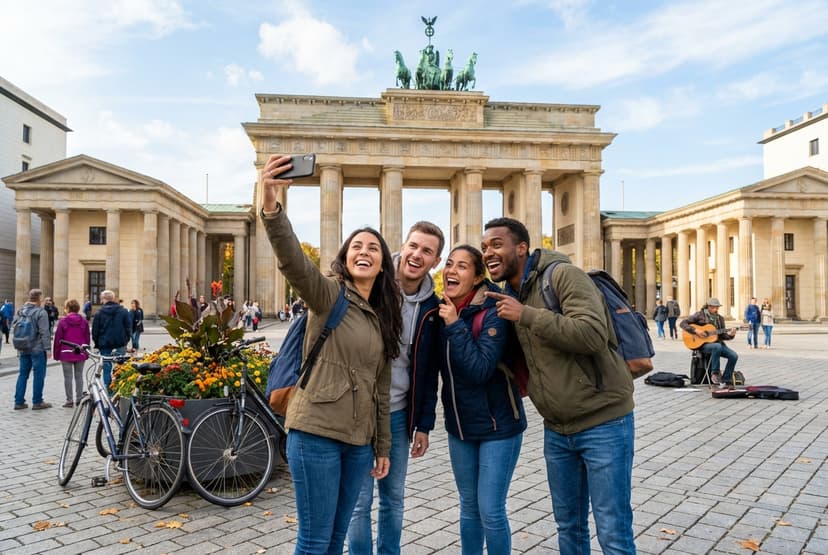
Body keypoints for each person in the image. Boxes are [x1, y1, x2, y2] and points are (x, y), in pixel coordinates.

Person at [261, 153, 403, 554]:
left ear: (382, 264)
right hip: (316, 433)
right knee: (314, 542)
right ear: (346, 257)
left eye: (373, 247)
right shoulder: (328, 295)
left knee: (336, 541)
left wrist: (382, 447)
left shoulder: (382, 318)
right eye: (356, 246)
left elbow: (380, 390)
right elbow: (293, 262)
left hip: (357, 443)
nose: (364, 251)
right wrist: (271, 207)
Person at [481, 217, 636, 555]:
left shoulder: (564, 275)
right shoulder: (510, 294)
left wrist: (526, 315)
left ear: (521, 248)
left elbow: (593, 334)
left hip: (603, 423)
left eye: (496, 244)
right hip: (557, 429)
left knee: (612, 530)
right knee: (569, 527)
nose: (488, 252)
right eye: (484, 247)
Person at [349, 221, 444, 555]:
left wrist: (424, 425)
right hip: (358, 411)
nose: (417, 255)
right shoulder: (370, 285)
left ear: (436, 261)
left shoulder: (433, 308)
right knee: (359, 501)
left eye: (427, 251)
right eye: (413, 246)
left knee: (394, 498)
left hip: (399, 414)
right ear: (403, 246)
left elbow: (429, 371)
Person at [437, 244, 526, 554]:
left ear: (477, 278)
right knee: (469, 506)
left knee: (490, 508)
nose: (451, 270)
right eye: (449, 263)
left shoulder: (494, 311)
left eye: (462, 266)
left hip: (498, 425)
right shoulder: (444, 308)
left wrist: (454, 325)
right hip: (460, 426)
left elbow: (480, 370)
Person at [680, 298, 739, 387]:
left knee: (733, 356)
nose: (716, 309)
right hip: (703, 345)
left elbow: (722, 335)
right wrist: (696, 330)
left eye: (717, 307)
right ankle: (715, 373)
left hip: (717, 344)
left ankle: (726, 379)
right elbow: (683, 323)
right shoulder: (700, 315)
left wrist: (731, 335)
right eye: (714, 307)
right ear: (708, 307)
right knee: (717, 346)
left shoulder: (720, 318)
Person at [13, 289, 53, 411]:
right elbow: (44, 332)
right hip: (37, 348)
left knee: (23, 374)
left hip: (23, 347)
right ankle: (37, 402)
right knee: (38, 375)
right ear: (39, 298)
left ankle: (18, 402)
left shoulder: (20, 310)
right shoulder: (41, 312)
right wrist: (48, 349)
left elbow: (15, 327)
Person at [53, 299, 90, 407]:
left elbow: (58, 339)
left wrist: (56, 354)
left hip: (66, 352)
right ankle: (79, 399)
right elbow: (87, 338)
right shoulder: (84, 321)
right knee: (79, 376)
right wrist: (86, 352)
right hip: (80, 351)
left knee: (67, 378)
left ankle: (69, 400)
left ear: (67, 308)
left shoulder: (63, 321)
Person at [91, 290, 132, 389]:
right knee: (120, 367)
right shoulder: (123, 311)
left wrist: (97, 344)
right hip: (120, 343)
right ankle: (119, 389)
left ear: (103, 299)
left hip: (105, 344)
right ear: (113, 299)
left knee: (106, 368)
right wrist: (125, 340)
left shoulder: (99, 313)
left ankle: (108, 390)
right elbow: (128, 328)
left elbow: (95, 331)